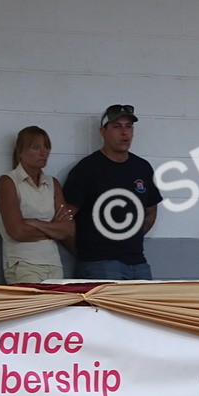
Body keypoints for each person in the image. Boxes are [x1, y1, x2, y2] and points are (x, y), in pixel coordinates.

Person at [63, 104, 163, 280]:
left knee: (143, 308)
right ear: (103, 131)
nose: (124, 133)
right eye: (117, 126)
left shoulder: (142, 168)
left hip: (137, 262)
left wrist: (130, 235)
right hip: (98, 263)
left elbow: (151, 210)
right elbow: (65, 218)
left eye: (129, 126)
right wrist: (88, 251)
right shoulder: (87, 169)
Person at [0, 126, 75, 284]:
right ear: (20, 152)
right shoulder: (8, 181)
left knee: (56, 309)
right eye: (36, 147)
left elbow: (68, 229)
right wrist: (53, 229)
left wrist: (35, 223)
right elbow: (17, 231)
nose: (43, 152)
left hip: (53, 264)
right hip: (24, 263)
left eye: (46, 147)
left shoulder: (52, 183)